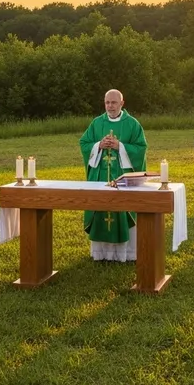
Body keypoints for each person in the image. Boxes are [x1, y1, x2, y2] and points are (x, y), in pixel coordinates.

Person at [79, 89, 148, 261]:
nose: (110, 106)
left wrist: (120, 147)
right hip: (100, 177)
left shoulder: (132, 124)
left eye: (114, 102)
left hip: (123, 179)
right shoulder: (97, 122)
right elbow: (84, 143)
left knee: (123, 210)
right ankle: (101, 254)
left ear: (122, 103)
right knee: (101, 208)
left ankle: (127, 254)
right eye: (107, 102)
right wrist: (98, 145)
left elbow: (141, 148)